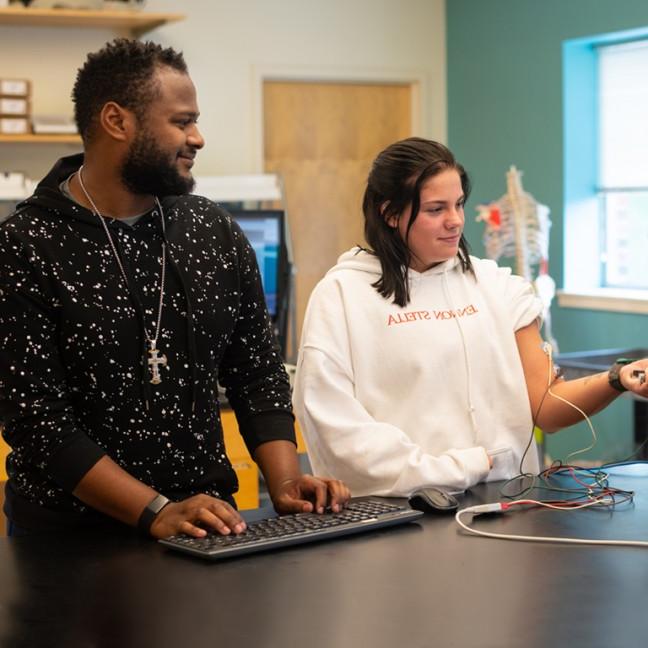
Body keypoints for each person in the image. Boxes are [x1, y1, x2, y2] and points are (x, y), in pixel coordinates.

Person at [0, 38, 349, 539]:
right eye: (182, 122)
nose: (198, 137)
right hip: (70, 546)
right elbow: (39, 424)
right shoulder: (25, 246)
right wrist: (156, 510)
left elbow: (256, 372)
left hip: (207, 530)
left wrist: (287, 480)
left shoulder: (212, 229)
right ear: (117, 121)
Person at [293, 137, 648, 497]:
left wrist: (618, 378)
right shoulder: (342, 296)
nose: (456, 221)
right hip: (400, 510)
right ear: (390, 213)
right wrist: (460, 467)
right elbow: (336, 429)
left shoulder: (497, 287)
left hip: (504, 501)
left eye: (459, 204)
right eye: (436, 209)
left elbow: (546, 405)